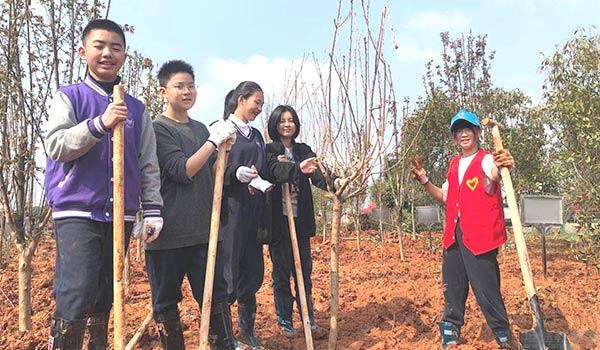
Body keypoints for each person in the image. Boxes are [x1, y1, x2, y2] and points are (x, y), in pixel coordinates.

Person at [44, 19, 163, 349]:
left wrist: (152, 210)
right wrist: (99, 124)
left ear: (125, 56)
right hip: (77, 212)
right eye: (99, 46)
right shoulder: (69, 98)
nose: (107, 53)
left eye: (116, 48)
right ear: (83, 52)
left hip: (120, 217)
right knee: (76, 291)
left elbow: (147, 163)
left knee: (104, 294)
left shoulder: (138, 109)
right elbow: (56, 146)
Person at [146, 60, 243, 349]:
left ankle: (223, 344)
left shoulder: (201, 129)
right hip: (168, 236)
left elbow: (212, 175)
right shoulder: (157, 129)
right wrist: (213, 143)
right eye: (179, 86)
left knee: (216, 296)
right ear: (163, 91)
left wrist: (225, 153)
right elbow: (182, 170)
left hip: (205, 233)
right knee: (165, 302)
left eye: (191, 85)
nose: (187, 91)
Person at [220, 82, 318, 349]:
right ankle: (225, 337)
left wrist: (291, 170)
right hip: (230, 215)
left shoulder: (255, 137)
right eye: (257, 103)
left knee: (251, 275)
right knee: (228, 274)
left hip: (255, 216)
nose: (259, 109)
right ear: (241, 99)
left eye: (262, 104)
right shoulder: (221, 130)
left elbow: (268, 169)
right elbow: (211, 169)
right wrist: (233, 173)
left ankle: (248, 333)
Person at [411, 108, 516, 349]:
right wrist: (425, 180)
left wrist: (506, 165)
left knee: (486, 288)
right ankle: (450, 329)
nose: (463, 135)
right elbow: (445, 197)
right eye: (458, 131)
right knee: (453, 286)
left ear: (478, 132)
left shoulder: (486, 158)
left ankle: (502, 334)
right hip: (454, 236)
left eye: (468, 129)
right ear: (454, 137)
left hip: (480, 236)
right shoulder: (454, 164)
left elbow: (497, 172)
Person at [265, 105, 331, 339]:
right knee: (281, 274)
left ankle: (308, 318)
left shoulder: (303, 150)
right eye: (282, 120)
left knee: (303, 272)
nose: (287, 124)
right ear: (275, 124)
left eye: (291, 120)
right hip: (279, 222)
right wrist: (292, 168)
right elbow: (272, 171)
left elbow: (318, 174)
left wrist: (335, 183)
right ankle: (285, 321)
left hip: (299, 220)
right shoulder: (269, 150)